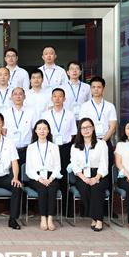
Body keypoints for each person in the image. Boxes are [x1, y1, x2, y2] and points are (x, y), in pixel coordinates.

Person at [79, 76, 117, 207]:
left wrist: (102, 141)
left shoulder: (110, 106)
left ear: (103, 89)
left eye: (99, 87)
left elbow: (112, 127)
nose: (96, 89)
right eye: (93, 87)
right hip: (88, 143)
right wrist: (93, 141)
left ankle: (109, 209)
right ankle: (89, 208)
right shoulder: (85, 106)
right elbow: (83, 125)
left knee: (107, 173)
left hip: (105, 142)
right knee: (90, 172)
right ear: (90, 89)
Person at [42, 88, 77, 216]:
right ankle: (50, 210)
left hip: (65, 148)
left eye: (60, 96)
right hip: (50, 147)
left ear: (64, 99)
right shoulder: (45, 115)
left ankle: (67, 210)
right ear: (51, 98)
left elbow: (73, 133)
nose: (57, 99)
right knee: (50, 175)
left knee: (64, 177)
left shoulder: (70, 114)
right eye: (55, 96)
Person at [70, 117, 109, 232]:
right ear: (80, 130)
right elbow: (74, 165)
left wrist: (97, 177)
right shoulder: (75, 146)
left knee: (96, 188)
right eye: (83, 128)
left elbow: (104, 163)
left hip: (99, 174)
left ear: (93, 128)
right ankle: (94, 217)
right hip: (82, 175)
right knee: (84, 188)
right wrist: (84, 178)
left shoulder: (101, 144)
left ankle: (99, 220)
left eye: (88, 127)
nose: (86, 130)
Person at [25, 119, 62, 231]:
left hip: (51, 176)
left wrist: (50, 178)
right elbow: (29, 169)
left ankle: (50, 218)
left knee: (52, 189)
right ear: (35, 131)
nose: (42, 131)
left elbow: (58, 166)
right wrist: (39, 179)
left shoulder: (54, 147)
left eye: (45, 128)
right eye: (39, 129)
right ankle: (43, 218)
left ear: (48, 131)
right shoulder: (31, 147)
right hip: (36, 177)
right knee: (42, 189)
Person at [2, 87, 37, 166]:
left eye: (20, 94)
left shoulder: (31, 112)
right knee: (12, 172)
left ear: (24, 96)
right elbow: (4, 132)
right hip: (11, 150)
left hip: (27, 149)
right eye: (15, 94)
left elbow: (34, 131)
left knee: (25, 172)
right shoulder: (5, 113)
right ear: (11, 97)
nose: (18, 96)